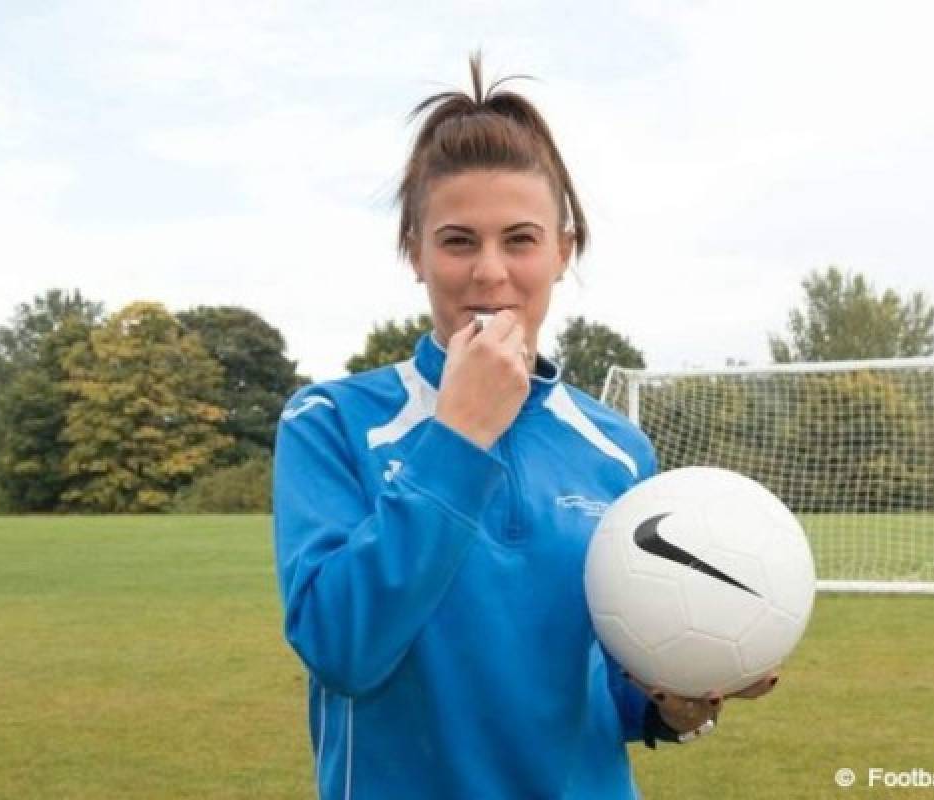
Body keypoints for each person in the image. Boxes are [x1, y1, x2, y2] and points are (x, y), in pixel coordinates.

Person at [273, 54, 777, 800]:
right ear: (413, 249)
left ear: (562, 251)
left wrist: (674, 702)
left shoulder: (616, 449)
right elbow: (344, 649)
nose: (488, 272)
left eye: (519, 239)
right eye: (456, 240)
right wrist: (459, 436)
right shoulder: (331, 424)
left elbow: (607, 684)